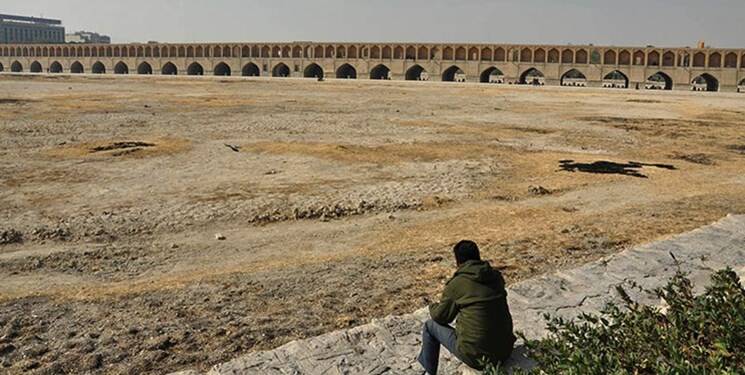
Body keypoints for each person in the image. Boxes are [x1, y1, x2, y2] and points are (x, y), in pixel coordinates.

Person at [417, 240, 516, 374]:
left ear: (458, 261)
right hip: (505, 351)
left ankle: (428, 370)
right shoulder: (496, 276)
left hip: (477, 357)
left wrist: (431, 306)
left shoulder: (457, 283)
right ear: (478, 256)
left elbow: (441, 317)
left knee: (430, 326)